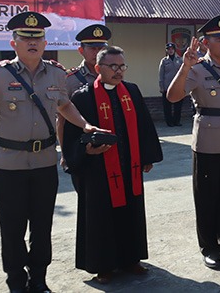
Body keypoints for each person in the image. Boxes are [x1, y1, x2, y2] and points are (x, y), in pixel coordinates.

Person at [0, 12, 105, 293]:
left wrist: (85, 124)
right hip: (8, 165)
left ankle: (38, 279)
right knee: (12, 228)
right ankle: (16, 282)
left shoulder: (56, 73)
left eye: (37, 37)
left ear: (44, 42)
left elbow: (64, 105)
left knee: (42, 227)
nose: (32, 42)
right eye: (25, 37)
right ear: (14, 43)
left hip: (44, 163)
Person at [62, 46, 163, 285]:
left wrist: (147, 156)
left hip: (129, 164)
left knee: (131, 211)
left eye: (122, 66)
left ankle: (131, 259)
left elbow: (144, 125)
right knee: (100, 217)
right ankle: (103, 266)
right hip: (98, 169)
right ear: (98, 68)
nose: (119, 72)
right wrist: (85, 150)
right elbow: (71, 135)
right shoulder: (83, 96)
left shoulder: (132, 91)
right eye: (113, 67)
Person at [166, 15, 220, 270]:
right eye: (219, 38)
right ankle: (209, 247)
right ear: (205, 42)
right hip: (208, 142)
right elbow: (172, 96)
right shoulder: (198, 69)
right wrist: (185, 67)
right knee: (207, 198)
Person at [59, 24, 111, 173]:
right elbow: (61, 120)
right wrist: (65, 153)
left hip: (109, 143)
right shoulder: (69, 80)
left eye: (101, 48)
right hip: (82, 147)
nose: (98, 53)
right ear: (81, 51)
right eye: (93, 48)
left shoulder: (113, 76)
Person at [158, 42, 184, 127]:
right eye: (168, 49)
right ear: (166, 51)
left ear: (174, 50)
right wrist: (161, 86)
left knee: (178, 106)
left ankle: (177, 121)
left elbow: (183, 73)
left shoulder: (179, 59)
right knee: (167, 106)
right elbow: (161, 74)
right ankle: (169, 122)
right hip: (167, 86)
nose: (170, 51)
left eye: (172, 49)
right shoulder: (164, 61)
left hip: (178, 86)